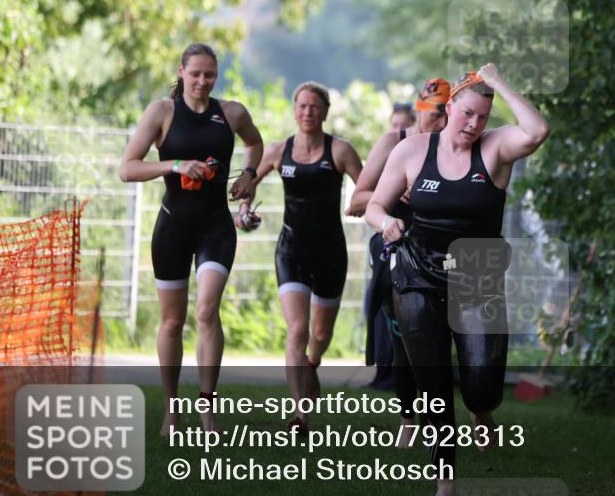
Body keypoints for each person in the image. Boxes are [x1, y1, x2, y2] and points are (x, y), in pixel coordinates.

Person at [365, 64, 550, 496]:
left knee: (483, 386)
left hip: (477, 281)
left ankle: (481, 408)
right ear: (449, 107)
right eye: (467, 114)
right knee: (433, 386)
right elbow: (374, 204)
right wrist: (387, 222)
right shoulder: (412, 150)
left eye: (483, 117)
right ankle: (445, 479)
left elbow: (538, 129)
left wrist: (499, 82)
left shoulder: (496, 149)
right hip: (418, 277)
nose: (474, 124)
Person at [119, 42, 264, 436]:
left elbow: (255, 144)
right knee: (171, 321)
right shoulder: (162, 112)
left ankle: (207, 409)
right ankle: (171, 409)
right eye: (195, 73)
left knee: (205, 311)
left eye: (210, 74)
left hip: (216, 226)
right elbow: (127, 168)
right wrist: (175, 164)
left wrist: (249, 175)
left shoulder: (231, 112)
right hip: (173, 227)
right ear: (181, 72)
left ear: (217, 76)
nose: (202, 81)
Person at [237, 82, 362, 433]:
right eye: (302, 106)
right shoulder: (279, 151)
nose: (307, 112)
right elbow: (249, 183)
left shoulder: (340, 151)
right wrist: (244, 210)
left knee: (320, 334)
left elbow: (368, 187)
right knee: (298, 328)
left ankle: (312, 364)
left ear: (324, 112)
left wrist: (360, 203)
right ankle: (299, 413)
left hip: (330, 251)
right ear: (295, 110)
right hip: (291, 248)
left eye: (314, 107)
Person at [351, 78, 450, 446]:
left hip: (442, 251)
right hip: (396, 246)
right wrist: (393, 190)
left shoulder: (454, 147)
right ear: (419, 110)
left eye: (445, 116)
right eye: (433, 115)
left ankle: (446, 413)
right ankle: (409, 415)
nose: (439, 124)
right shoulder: (396, 142)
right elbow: (357, 199)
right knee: (405, 337)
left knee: (440, 337)